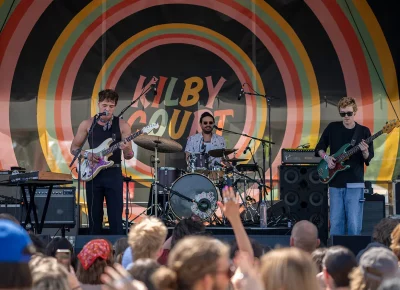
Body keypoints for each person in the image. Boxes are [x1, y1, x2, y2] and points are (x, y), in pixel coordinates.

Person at [70, 89, 134, 235]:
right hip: (93, 174)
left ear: (115, 107)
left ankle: (117, 251)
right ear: (98, 104)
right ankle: (93, 250)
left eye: (111, 106)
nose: (107, 109)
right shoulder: (88, 124)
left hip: (113, 173)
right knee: (94, 216)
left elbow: (129, 156)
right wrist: (87, 155)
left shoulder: (123, 125)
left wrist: (126, 149)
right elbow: (74, 148)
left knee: (115, 216)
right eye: (105, 105)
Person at [315, 97, 374, 236]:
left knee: (354, 223)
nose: (346, 117)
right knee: (336, 223)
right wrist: (327, 158)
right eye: (343, 114)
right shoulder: (332, 128)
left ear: (355, 112)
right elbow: (319, 148)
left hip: (355, 181)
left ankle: (353, 253)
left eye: (349, 113)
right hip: (335, 182)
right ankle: (335, 254)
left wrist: (365, 151)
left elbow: (368, 157)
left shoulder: (363, 131)